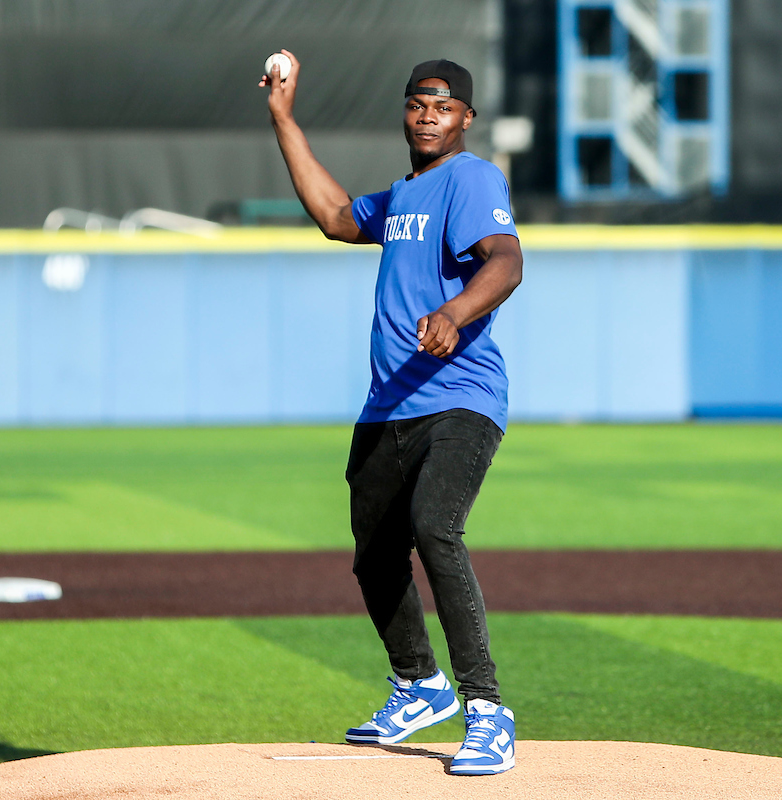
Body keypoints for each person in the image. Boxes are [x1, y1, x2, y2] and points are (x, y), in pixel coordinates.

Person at [261, 51, 522, 776]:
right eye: (417, 102)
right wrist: (283, 119)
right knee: (374, 554)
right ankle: (418, 683)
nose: (429, 114)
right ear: (405, 113)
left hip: (461, 395)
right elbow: (338, 218)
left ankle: (488, 711)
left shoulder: (471, 179)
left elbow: (505, 260)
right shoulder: (406, 195)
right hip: (388, 404)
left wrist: (455, 310)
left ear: (467, 117)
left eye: (444, 104)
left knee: (436, 526)